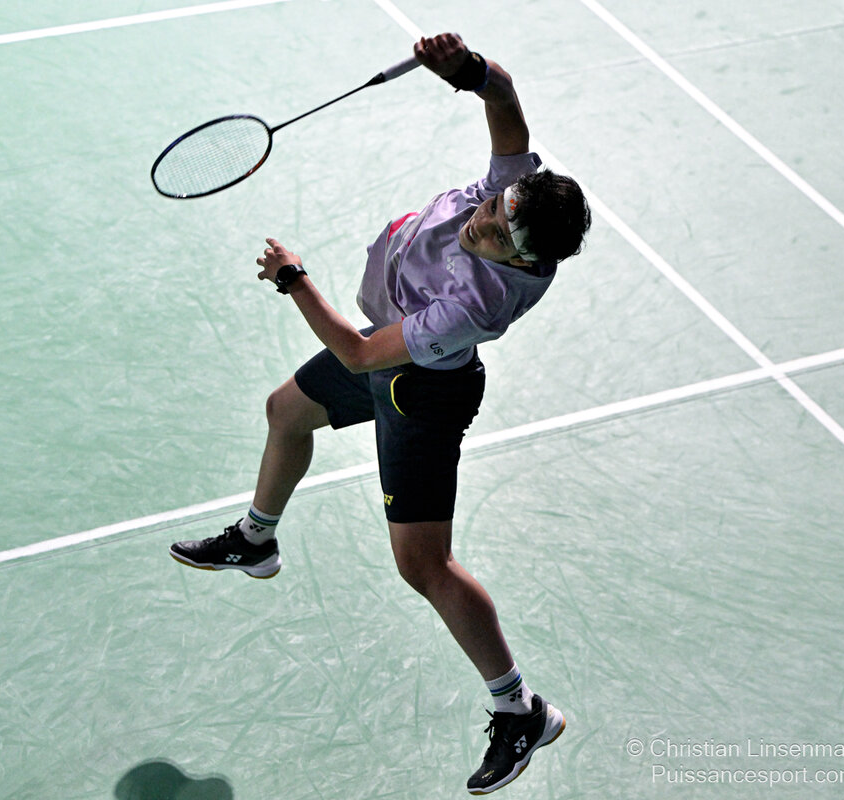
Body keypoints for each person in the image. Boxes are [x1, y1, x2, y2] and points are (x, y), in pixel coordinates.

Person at [170, 32, 591, 794]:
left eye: (497, 236)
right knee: (285, 411)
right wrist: (467, 69)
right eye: (492, 208)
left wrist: (294, 280)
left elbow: (363, 357)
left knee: (422, 565)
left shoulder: (479, 301)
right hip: (390, 349)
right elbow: (505, 101)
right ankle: (256, 541)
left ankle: (521, 709)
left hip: (419, 393)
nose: (482, 224)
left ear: (524, 262)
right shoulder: (517, 195)